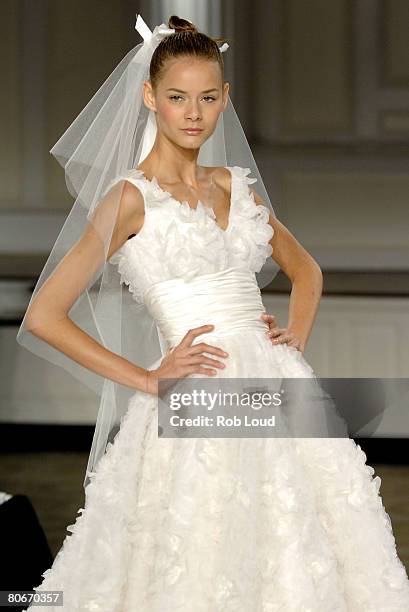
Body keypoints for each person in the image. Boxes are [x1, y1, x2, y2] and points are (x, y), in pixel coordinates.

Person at [18, 13, 409, 612]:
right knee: (200, 554)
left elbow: (307, 270)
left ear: (225, 99)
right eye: (177, 98)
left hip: (278, 389)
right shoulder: (129, 199)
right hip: (196, 397)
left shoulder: (237, 187)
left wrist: (293, 337)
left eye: (206, 97)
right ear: (151, 98)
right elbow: (45, 314)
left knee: (297, 542)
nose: (193, 113)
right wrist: (148, 378)